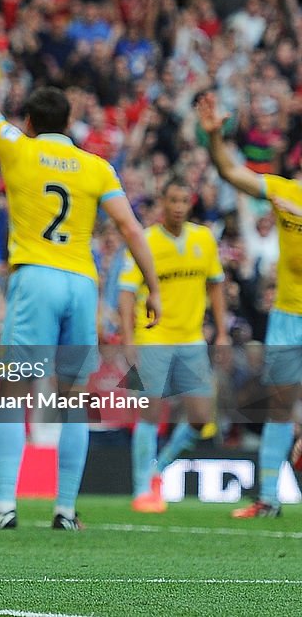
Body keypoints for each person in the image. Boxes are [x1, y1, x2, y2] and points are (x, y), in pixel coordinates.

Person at [0, 0, 160, 531]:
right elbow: (130, 227)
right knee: (73, 397)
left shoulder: (18, 146)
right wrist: (151, 284)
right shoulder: (96, 167)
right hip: (82, 283)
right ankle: (64, 510)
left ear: (31, 119)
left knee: (14, 388)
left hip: (34, 278)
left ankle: (6, 505)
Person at [196, 91, 300, 518]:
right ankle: (269, 498)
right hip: (288, 318)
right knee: (277, 407)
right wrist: (216, 137)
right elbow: (230, 171)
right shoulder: (283, 191)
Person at [118, 178, 228, 513]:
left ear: (190, 203)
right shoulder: (144, 240)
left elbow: (216, 285)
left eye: (184, 200)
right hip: (153, 335)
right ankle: (141, 490)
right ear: (162, 202)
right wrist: (127, 338)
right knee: (150, 412)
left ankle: (157, 470)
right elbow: (125, 292)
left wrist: (221, 332)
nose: (178, 207)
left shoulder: (204, 239)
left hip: (192, 338)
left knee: (200, 416)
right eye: (173, 200)